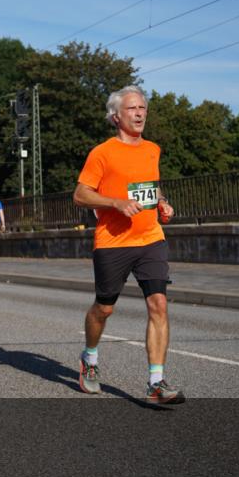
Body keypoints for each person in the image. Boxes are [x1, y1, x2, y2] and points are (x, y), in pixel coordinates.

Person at [73, 85, 182, 405]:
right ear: (115, 116)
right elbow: (80, 195)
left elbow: (150, 187)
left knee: (158, 304)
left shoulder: (152, 149)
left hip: (150, 238)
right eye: (133, 109)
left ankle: (156, 383)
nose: (140, 114)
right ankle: (89, 359)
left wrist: (163, 203)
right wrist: (115, 203)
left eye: (143, 108)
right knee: (104, 308)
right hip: (113, 242)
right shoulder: (102, 152)